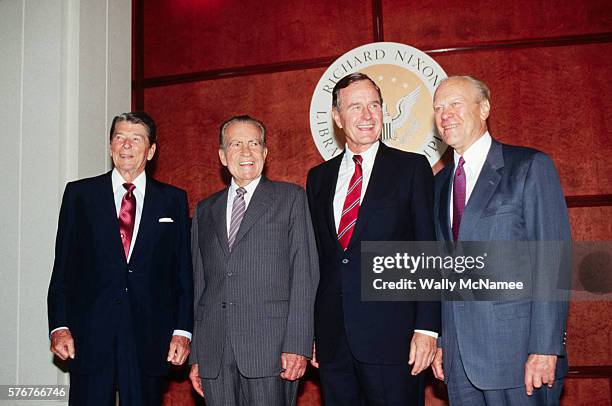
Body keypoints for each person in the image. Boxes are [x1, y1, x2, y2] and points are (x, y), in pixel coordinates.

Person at [430, 76, 571, 405]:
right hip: (459, 363)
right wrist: (441, 340)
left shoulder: (529, 167)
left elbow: (553, 262)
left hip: (519, 356)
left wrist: (545, 347)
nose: (445, 114)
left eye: (455, 104)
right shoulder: (438, 185)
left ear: (484, 109)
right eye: (438, 108)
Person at [306, 72, 440, 405]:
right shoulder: (318, 179)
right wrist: (310, 332)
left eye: (374, 105)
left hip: (394, 338)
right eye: (355, 107)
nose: (367, 116)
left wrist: (427, 328)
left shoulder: (411, 168)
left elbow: (428, 249)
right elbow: (319, 260)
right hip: (334, 339)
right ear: (337, 118)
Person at [47, 112, 193, 405]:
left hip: (150, 337)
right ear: (111, 145)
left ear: (151, 150)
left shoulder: (173, 200)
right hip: (89, 335)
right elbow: (62, 268)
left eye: (136, 139)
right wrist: (59, 325)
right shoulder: (80, 195)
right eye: (119, 137)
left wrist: (182, 331)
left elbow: (183, 273)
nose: (126, 145)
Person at [188, 115, 319, 405]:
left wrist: (298, 344)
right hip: (215, 353)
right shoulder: (204, 210)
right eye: (235, 144)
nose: (245, 152)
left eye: (254, 143)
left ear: (265, 152)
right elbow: (199, 286)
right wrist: (197, 354)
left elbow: (304, 275)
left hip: (271, 351)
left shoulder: (290, 199)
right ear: (223, 156)